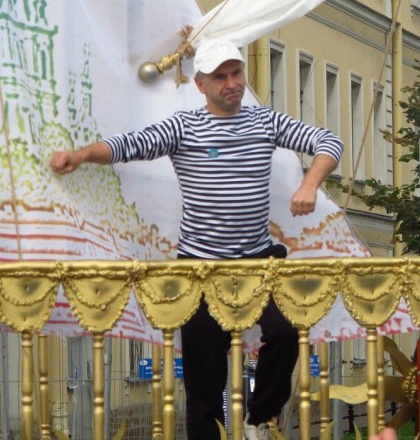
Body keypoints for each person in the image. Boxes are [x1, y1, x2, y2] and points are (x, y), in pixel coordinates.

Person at [50, 40, 344, 440]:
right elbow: (127, 145)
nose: (231, 83)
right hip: (200, 267)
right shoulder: (184, 126)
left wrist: (310, 184)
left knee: (286, 330)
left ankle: (259, 419)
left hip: (259, 260)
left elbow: (329, 142)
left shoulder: (266, 122)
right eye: (220, 77)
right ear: (201, 85)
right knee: (205, 378)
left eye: (236, 74)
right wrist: (81, 156)